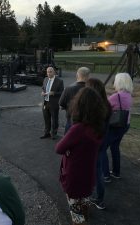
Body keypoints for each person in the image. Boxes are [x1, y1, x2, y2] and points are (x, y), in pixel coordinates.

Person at [55, 87, 107, 225]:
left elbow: (59, 148)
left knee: (76, 213)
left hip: (74, 176)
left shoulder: (78, 129)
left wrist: (69, 150)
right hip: (88, 174)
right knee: (84, 206)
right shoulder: (98, 126)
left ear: (78, 105)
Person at [86, 78, 112, 210]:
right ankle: (99, 198)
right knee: (98, 170)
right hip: (102, 140)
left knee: (95, 171)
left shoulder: (92, 107)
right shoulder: (106, 104)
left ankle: (97, 198)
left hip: (92, 143)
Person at [102, 73, 133, 180]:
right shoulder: (128, 95)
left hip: (114, 125)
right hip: (124, 124)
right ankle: (116, 172)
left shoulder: (116, 96)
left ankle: (105, 175)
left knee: (101, 149)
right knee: (115, 147)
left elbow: (104, 107)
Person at [59, 67, 90, 133]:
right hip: (87, 121)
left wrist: (67, 107)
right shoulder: (92, 89)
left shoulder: (68, 89)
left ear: (77, 75)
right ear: (88, 76)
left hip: (71, 120)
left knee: (68, 142)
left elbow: (61, 103)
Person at [40, 66, 64, 140]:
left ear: (54, 72)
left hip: (54, 103)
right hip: (45, 102)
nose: (49, 73)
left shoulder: (59, 81)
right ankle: (47, 133)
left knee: (54, 119)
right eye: (48, 72)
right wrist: (43, 92)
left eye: (50, 71)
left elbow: (62, 92)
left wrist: (53, 93)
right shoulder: (45, 79)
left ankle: (54, 134)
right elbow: (43, 87)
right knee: (46, 119)